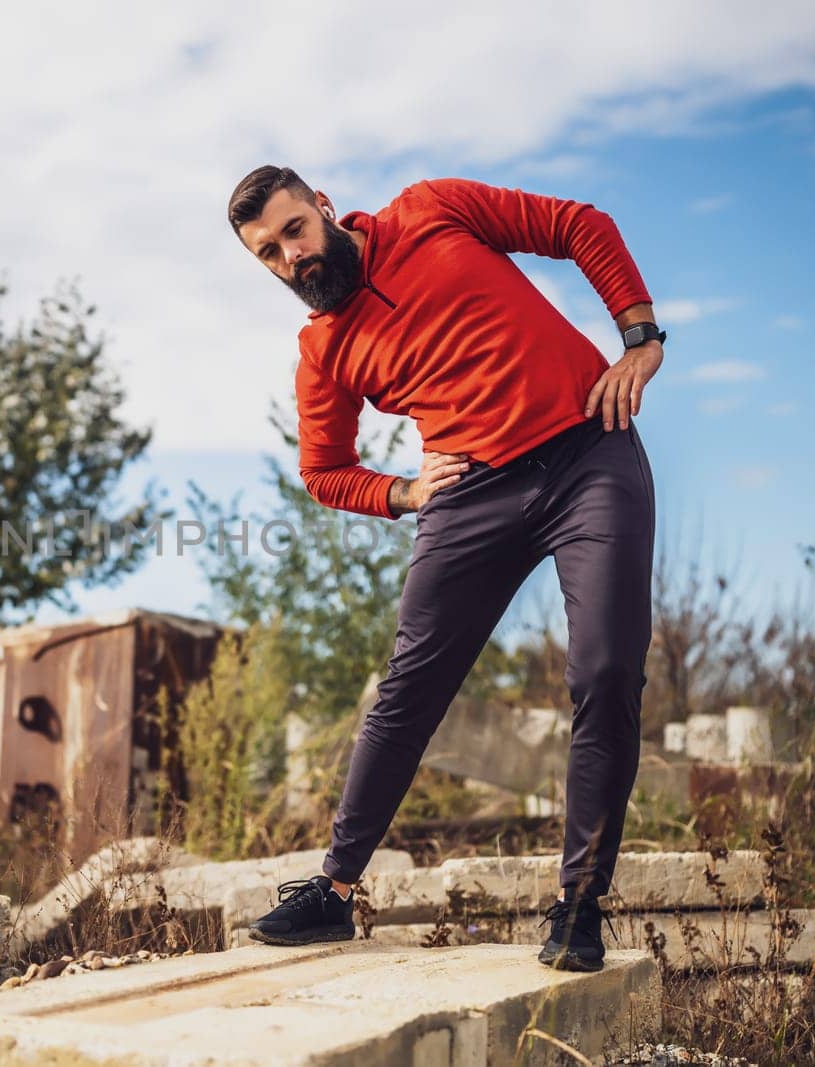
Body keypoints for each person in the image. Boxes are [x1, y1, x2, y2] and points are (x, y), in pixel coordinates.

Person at [226, 165, 663, 972]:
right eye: (269, 254)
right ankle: (335, 889)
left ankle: (579, 907)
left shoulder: (431, 210)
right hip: (470, 498)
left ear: (323, 208)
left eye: (294, 231)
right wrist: (401, 490)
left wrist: (639, 338)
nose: (291, 258)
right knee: (406, 691)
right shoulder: (323, 350)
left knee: (605, 670)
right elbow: (323, 469)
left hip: (587, 453)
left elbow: (578, 224)